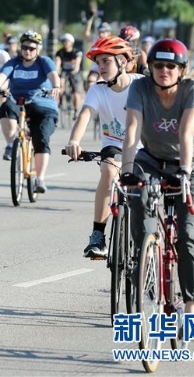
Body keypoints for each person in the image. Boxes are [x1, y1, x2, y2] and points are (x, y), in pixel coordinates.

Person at [121, 38, 194, 315]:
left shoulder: (193, 87)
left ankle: (191, 304)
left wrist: (184, 171)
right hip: (152, 161)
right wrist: (126, 170)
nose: (164, 70)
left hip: (191, 164)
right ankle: (146, 262)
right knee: (140, 209)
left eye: (171, 65)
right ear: (150, 67)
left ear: (181, 69)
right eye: (158, 65)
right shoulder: (140, 86)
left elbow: (185, 132)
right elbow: (133, 129)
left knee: (187, 235)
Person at [65, 36, 142, 259]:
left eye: (106, 61)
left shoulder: (141, 84)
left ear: (123, 62)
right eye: (98, 62)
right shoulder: (97, 89)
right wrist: (74, 141)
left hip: (143, 147)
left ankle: (148, 241)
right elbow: (85, 115)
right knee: (108, 172)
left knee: (147, 190)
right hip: (114, 146)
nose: (100, 67)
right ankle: (98, 235)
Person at [0, 30, 60, 193]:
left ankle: (39, 179)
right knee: (6, 108)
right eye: (25, 47)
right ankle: (10, 144)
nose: (28, 51)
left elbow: (53, 75)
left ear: (38, 49)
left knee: (40, 137)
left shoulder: (44, 61)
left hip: (42, 103)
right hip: (17, 100)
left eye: (32, 48)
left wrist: (56, 87)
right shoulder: (14, 62)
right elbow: (2, 75)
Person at [54, 33, 84, 118]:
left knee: (76, 91)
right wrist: (56, 71)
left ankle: (76, 110)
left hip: (74, 72)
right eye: (63, 41)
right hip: (64, 71)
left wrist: (75, 70)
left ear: (71, 42)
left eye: (67, 41)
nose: (65, 43)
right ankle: (60, 102)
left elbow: (77, 64)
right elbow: (58, 62)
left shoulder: (76, 52)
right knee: (60, 84)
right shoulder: (60, 52)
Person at [84, 19, 112, 89]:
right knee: (90, 83)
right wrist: (90, 19)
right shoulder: (95, 39)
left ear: (109, 32)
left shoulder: (112, 42)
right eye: (100, 31)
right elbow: (86, 33)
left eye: (103, 31)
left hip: (108, 69)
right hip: (95, 69)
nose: (101, 33)